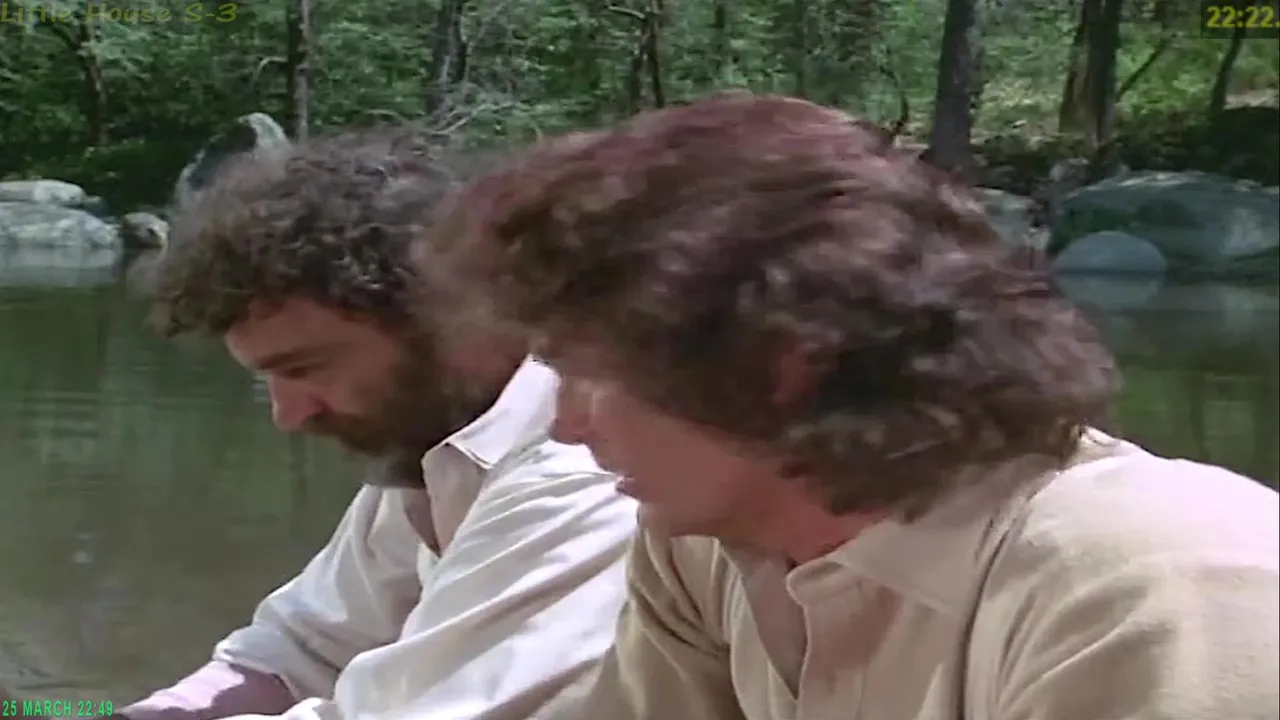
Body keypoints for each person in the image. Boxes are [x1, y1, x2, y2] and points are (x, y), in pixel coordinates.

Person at [422, 92, 1280, 719]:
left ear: (783, 360)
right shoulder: (705, 553)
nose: (566, 425)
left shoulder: (1162, 589)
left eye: (586, 372)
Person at [10, 128, 637, 720]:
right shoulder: (439, 449)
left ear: (446, 313)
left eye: (305, 368)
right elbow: (301, 650)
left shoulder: (586, 472)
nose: (288, 414)